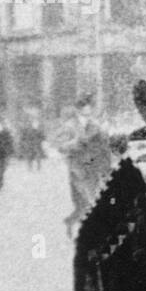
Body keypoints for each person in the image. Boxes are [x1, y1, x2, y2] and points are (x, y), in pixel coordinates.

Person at [57, 96, 116, 237]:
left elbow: (104, 146)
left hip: (93, 168)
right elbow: (61, 146)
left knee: (91, 200)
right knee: (86, 201)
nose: (88, 110)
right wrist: (75, 143)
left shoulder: (95, 125)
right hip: (77, 170)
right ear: (79, 109)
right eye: (85, 107)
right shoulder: (69, 126)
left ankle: (82, 226)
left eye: (90, 107)